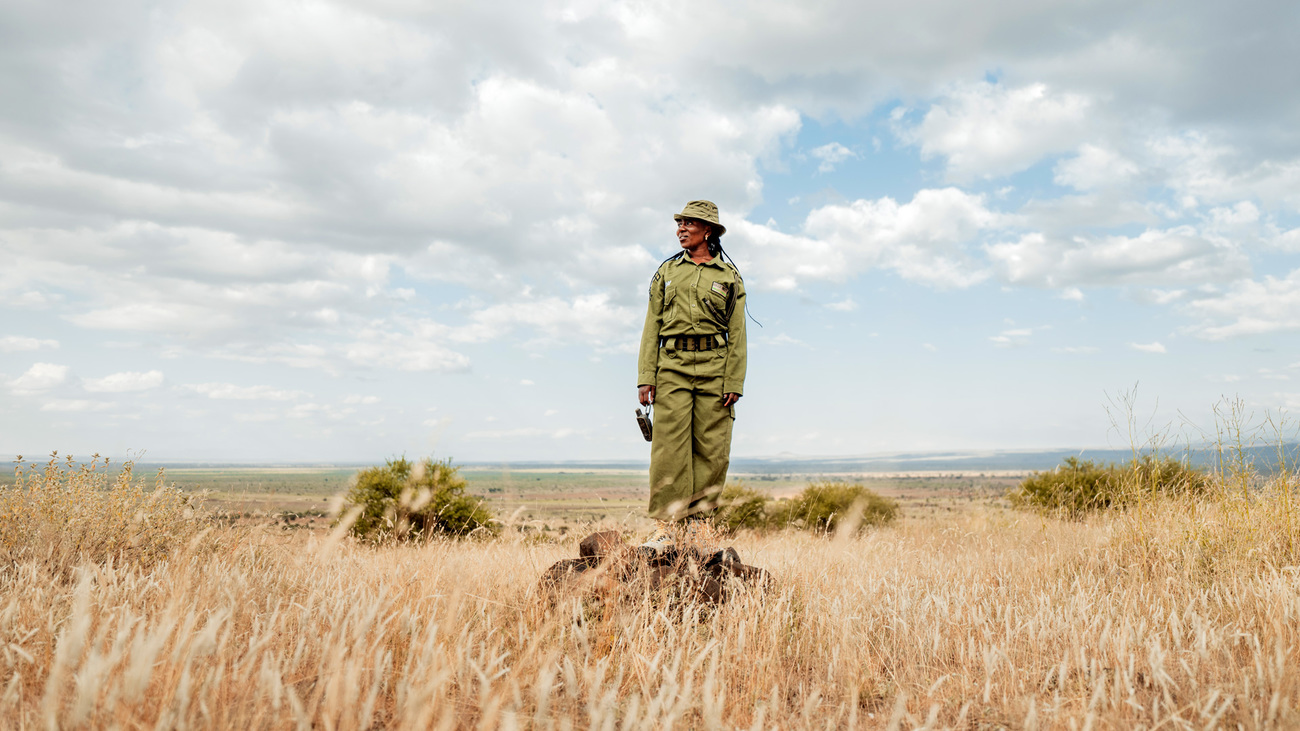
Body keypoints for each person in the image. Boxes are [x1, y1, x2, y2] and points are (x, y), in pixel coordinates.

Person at [636, 200, 746, 553]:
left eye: (689, 223)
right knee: (669, 448)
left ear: (707, 231)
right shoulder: (666, 272)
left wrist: (734, 381)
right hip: (671, 366)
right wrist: (645, 376)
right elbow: (651, 324)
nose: (681, 228)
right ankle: (666, 528)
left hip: (715, 368)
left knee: (712, 450)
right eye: (679, 223)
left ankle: (700, 526)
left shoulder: (729, 277)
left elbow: (738, 332)